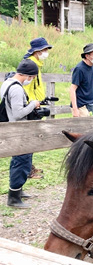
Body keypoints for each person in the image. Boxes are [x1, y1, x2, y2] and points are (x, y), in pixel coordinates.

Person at [1, 59, 40, 208]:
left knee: (17, 161)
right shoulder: (16, 88)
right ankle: (14, 199)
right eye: (33, 77)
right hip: (19, 129)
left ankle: (17, 190)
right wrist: (33, 104)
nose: (31, 80)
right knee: (22, 161)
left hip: (13, 128)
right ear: (28, 75)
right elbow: (18, 113)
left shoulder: (7, 83)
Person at [23, 37, 53, 179]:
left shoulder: (36, 64)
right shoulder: (31, 65)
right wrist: (31, 104)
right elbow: (27, 87)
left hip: (35, 103)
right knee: (29, 139)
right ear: (37, 51)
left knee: (32, 138)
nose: (46, 52)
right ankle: (27, 169)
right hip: (31, 106)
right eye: (45, 49)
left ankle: (29, 167)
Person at [70, 43, 93, 117]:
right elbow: (72, 88)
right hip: (80, 105)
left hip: (89, 104)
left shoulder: (92, 65)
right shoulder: (80, 69)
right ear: (87, 56)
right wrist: (75, 109)